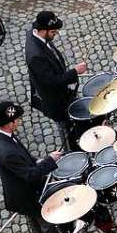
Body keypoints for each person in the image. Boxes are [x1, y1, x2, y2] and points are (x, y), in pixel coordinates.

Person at [0, 100, 64, 233]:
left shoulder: (3, 135)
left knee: (33, 219)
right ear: (10, 123)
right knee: (46, 222)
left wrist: (37, 161)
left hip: (20, 193)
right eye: (17, 119)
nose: (19, 121)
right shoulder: (7, 151)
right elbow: (30, 175)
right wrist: (50, 161)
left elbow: (24, 159)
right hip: (26, 193)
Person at [26, 10, 86, 148]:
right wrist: (74, 72)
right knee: (65, 128)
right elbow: (51, 82)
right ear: (42, 31)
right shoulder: (35, 56)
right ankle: (71, 152)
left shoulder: (36, 34)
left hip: (60, 91)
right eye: (53, 32)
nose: (56, 34)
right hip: (54, 101)